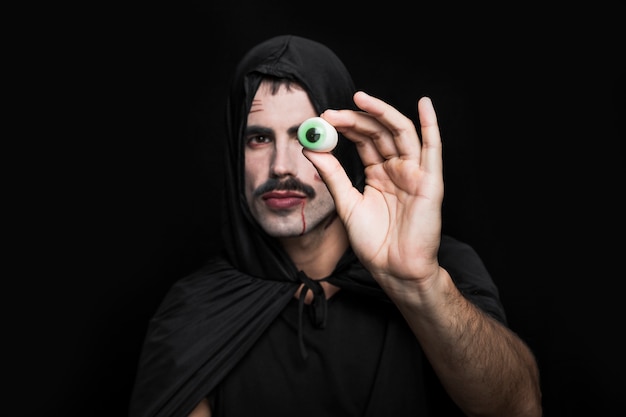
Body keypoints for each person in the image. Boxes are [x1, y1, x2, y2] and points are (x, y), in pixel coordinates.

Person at [129, 34, 543, 417]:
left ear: (343, 144)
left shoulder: (446, 267)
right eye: (259, 138)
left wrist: (420, 285)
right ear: (234, 153)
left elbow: (519, 407)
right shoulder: (196, 308)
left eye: (305, 135)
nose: (281, 167)